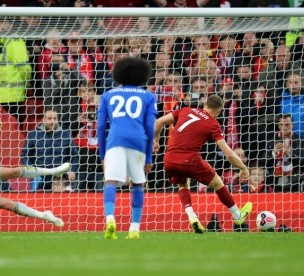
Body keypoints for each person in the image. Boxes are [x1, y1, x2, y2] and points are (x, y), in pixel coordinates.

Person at [154, 95, 252, 234]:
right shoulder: (213, 124)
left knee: (182, 185)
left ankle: (192, 217)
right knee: (218, 183)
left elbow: (158, 122)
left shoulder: (186, 110)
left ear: (205, 104)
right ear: (218, 111)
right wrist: (243, 167)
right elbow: (228, 154)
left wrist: (156, 141)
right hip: (189, 160)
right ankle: (237, 216)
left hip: (169, 159)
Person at [97, 57, 157, 239]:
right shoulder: (148, 96)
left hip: (115, 141)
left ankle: (110, 219)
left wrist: (102, 155)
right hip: (138, 141)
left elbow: (100, 126)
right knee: (138, 183)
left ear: (118, 74)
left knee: (110, 181)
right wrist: (148, 157)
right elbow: (150, 128)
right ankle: (134, 228)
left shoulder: (108, 95)